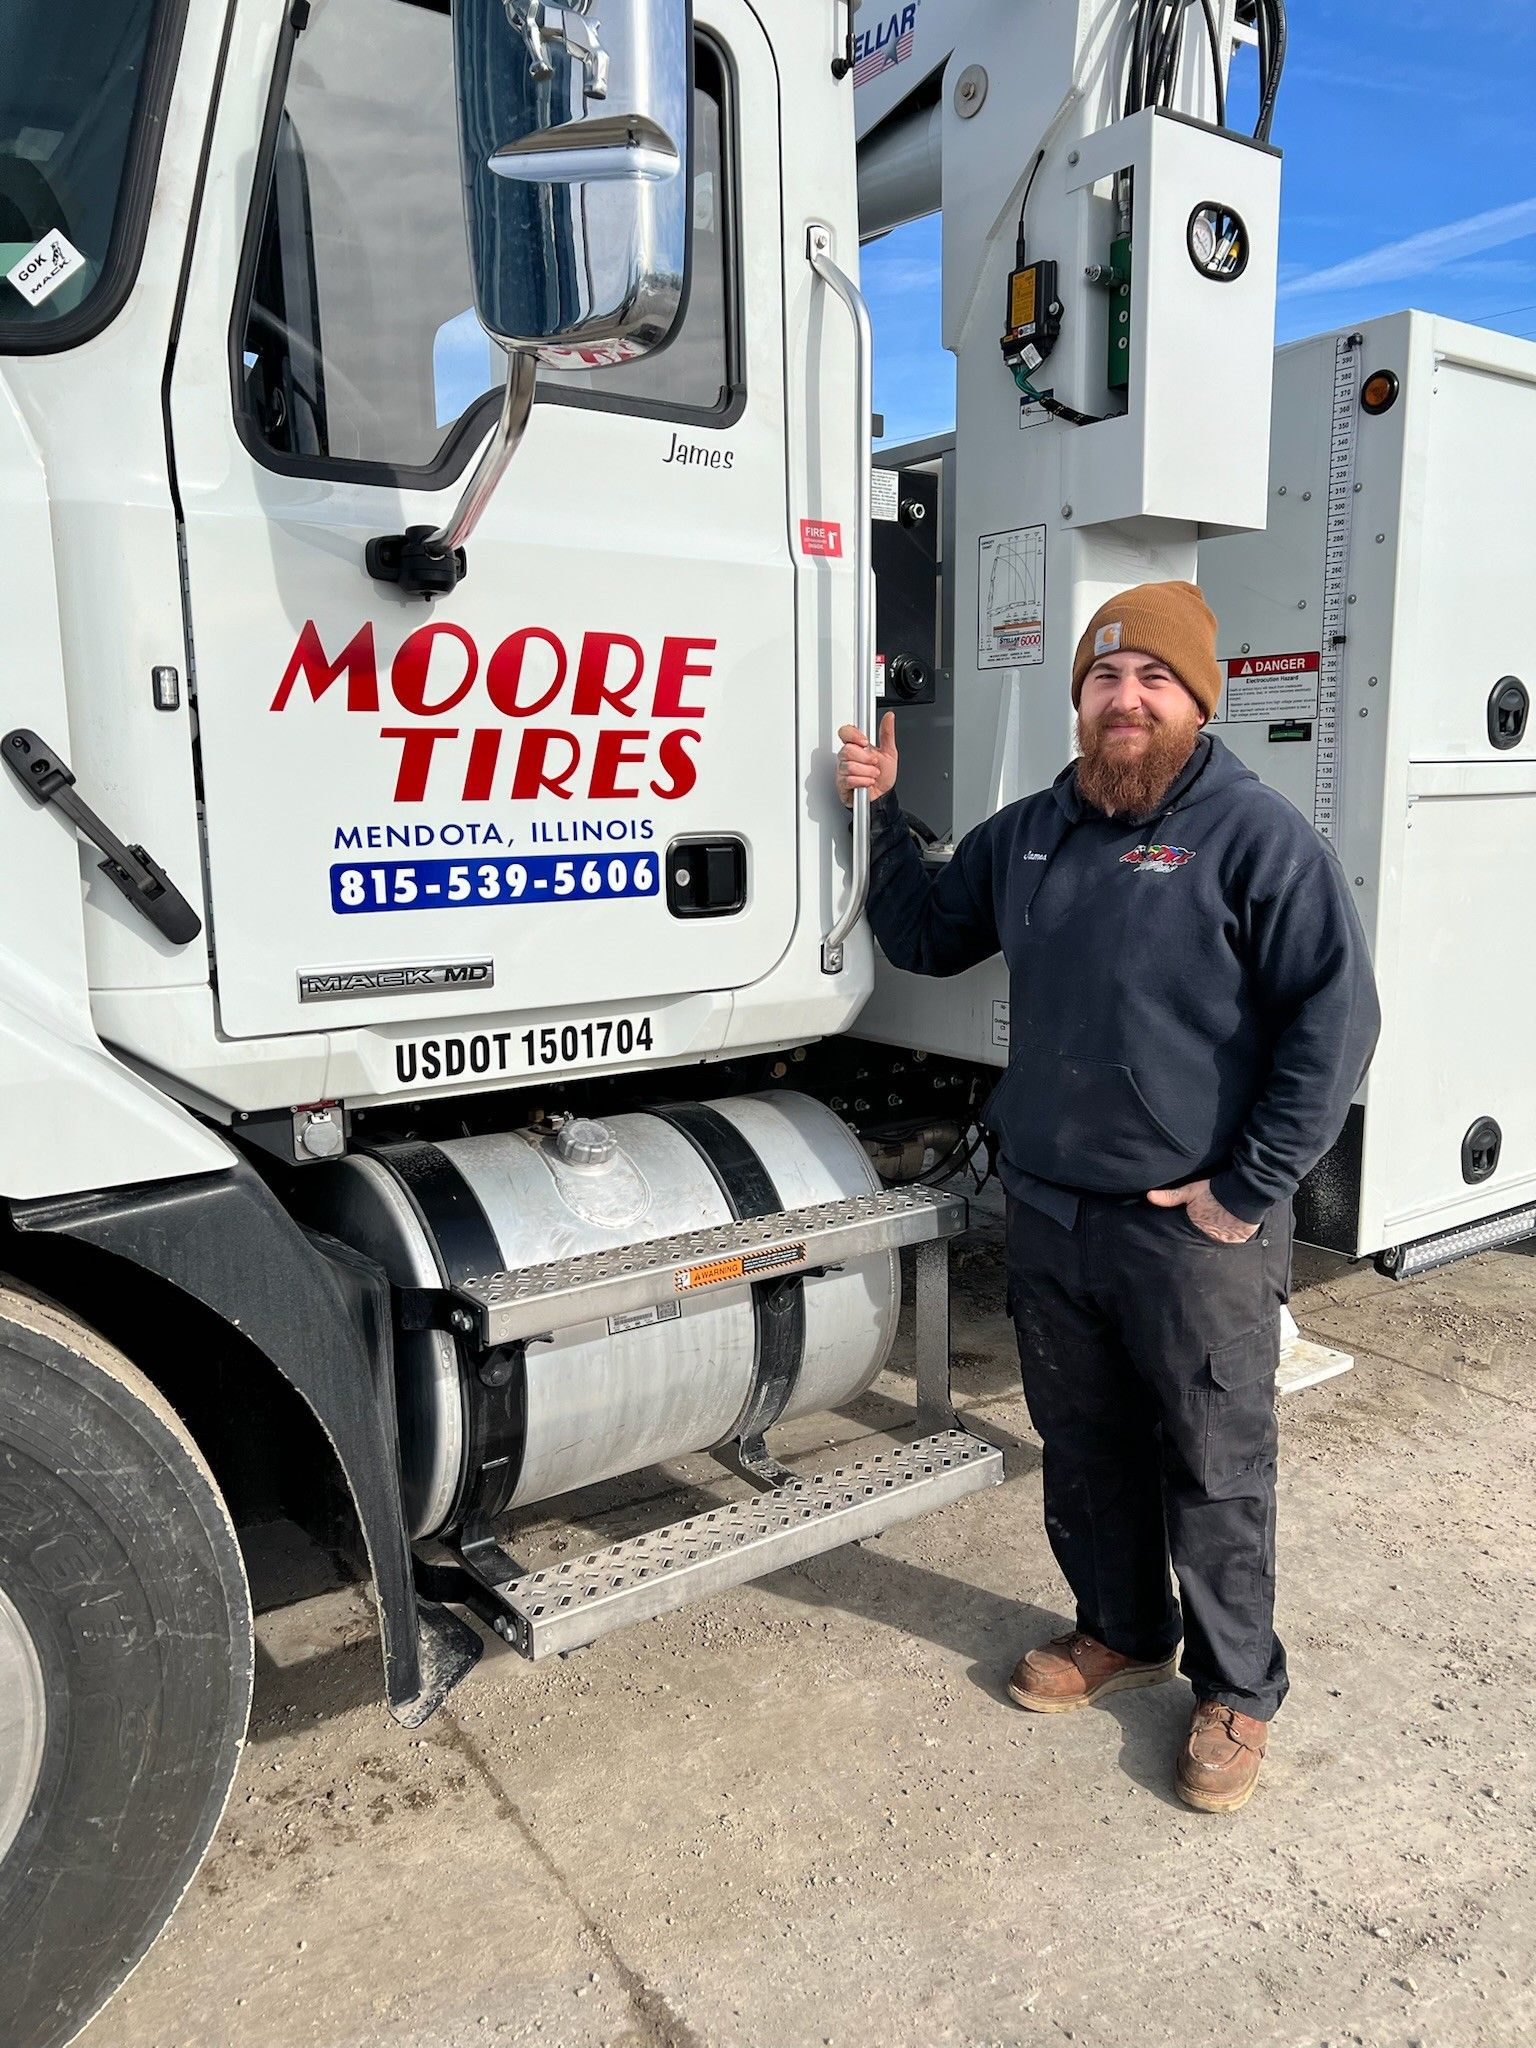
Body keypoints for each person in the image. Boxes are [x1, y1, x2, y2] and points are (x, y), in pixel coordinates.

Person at [837, 579, 1380, 1814]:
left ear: (1198, 700)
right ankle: (1124, 1628)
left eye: (1153, 681)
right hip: (1052, 1208)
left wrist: (1247, 1188)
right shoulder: (1032, 830)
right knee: (1082, 1449)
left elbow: (1337, 1027)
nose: (1125, 700)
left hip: (1193, 1233)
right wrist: (875, 812)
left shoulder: (1257, 837)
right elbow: (924, 930)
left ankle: (1239, 1687)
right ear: (1079, 697)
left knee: (1213, 1458)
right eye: (1104, 678)